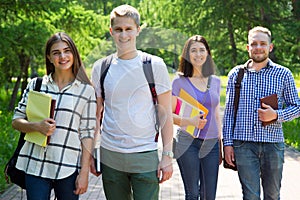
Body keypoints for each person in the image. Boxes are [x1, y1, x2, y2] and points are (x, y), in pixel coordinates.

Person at [91, 4, 173, 200]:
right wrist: (94, 153)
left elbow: (165, 114)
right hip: (110, 154)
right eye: (118, 29)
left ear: (138, 30)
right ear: (111, 31)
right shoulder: (101, 67)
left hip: (145, 154)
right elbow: (96, 114)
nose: (123, 35)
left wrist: (167, 156)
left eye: (128, 29)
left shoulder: (154, 65)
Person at [12, 32, 97, 200]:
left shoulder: (86, 91)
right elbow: (16, 121)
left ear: (74, 54)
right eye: (56, 52)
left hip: (67, 167)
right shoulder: (36, 85)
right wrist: (36, 126)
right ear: (49, 58)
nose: (62, 56)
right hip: (35, 165)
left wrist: (84, 172)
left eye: (67, 51)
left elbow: (87, 134)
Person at [223, 26, 300, 200]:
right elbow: (229, 113)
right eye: (254, 44)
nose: (258, 47)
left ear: (270, 47)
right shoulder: (236, 74)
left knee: (273, 195)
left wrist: (276, 115)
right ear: (248, 47)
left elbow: (297, 106)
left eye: (262, 44)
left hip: (272, 145)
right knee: (250, 196)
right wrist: (227, 144)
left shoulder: (283, 74)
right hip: (243, 145)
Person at [172, 35, 222, 200]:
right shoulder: (179, 81)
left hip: (211, 143)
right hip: (187, 142)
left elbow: (216, 113)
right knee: (192, 194)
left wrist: (221, 142)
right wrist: (190, 122)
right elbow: (169, 115)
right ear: (187, 54)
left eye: (202, 50)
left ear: (207, 53)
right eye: (193, 50)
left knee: (209, 195)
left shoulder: (214, 81)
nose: (198, 54)